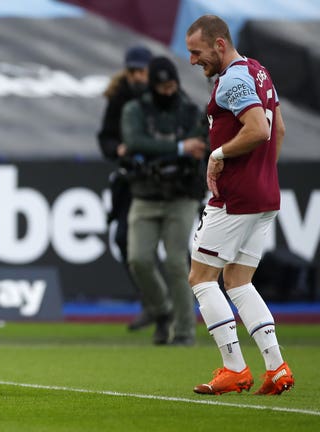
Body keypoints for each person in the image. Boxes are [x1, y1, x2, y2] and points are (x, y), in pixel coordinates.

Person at [185, 15, 294, 395]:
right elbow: (277, 129)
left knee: (200, 278)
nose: (193, 60)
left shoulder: (232, 79)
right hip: (265, 195)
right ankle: (276, 366)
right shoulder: (259, 72)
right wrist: (262, 173)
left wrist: (219, 154)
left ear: (218, 44)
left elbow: (259, 129)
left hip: (235, 198)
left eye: (197, 52)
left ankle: (234, 367)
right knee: (238, 281)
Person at [120, 55, 207, 346]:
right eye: (163, 87)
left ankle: (183, 331)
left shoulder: (189, 110)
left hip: (180, 196)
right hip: (145, 194)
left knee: (175, 262)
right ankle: (162, 310)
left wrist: (160, 151)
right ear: (153, 86)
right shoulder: (136, 109)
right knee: (138, 259)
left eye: (172, 86)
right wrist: (179, 148)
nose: (168, 92)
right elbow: (135, 141)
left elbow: (201, 142)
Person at [97, 44, 155, 331]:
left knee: (168, 249)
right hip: (130, 183)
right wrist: (117, 149)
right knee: (123, 239)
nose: (135, 76)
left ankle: (168, 308)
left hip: (160, 183)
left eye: (140, 70)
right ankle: (151, 300)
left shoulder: (163, 92)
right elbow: (105, 137)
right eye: (131, 70)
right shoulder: (119, 97)